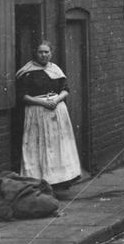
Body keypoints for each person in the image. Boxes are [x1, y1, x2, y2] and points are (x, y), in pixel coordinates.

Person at [16, 41, 81, 197]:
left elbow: (65, 89)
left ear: (51, 53)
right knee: (38, 144)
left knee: (57, 145)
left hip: (56, 110)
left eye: (46, 52)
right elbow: (22, 96)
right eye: (40, 52)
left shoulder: (55, 70)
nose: (43, 55)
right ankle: (40, 181)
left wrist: (57, 100)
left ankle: (59, 181)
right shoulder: (27, 72)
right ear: (35, 53)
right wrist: (43, 102)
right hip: (37, 111)